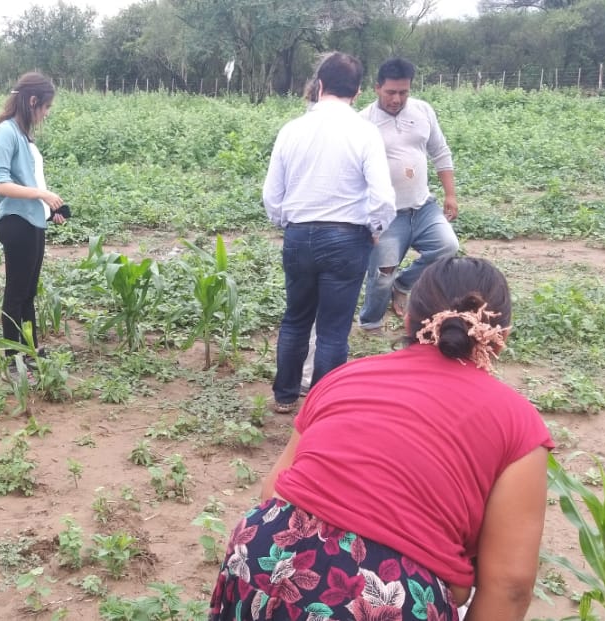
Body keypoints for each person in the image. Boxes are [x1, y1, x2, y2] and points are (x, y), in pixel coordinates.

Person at [208, 256, 553, 621]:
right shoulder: (518, 424)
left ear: (406, 319)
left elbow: (274, 489)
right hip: (387, 595)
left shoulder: (345, 377)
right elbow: (510, 586)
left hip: (263, 555)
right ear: (503, 338)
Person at [263, 52, 396, 413]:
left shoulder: (291, 130)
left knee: (296, 318)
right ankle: (323, 408)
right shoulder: (365, 132)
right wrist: (373, 230)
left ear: (318, 85)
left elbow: (271, 196)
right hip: (345, 237)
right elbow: (383, 198)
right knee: (334, 330)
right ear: (356, 93)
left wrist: (288, 225)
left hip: (299, 234)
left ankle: (285, 396)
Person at [357, 58, 460, 334]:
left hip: (423, 206)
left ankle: (403, 285)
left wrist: (450, 194)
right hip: (388, 214)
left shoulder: (423, 110)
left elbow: (440, 151)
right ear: (377, 88)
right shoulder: (364, 121)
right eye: (391, 92)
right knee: (381, 275)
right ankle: (371, 323)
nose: (397, 98)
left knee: (447, 248)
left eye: (403, 92)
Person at [0, 71, 67, 375]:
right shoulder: (6, 132)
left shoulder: (22, 134)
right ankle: (13, 359)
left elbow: (31, 180)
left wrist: (51, 208)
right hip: (16, 222)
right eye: (46, 107)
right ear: (32, 101)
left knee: (28, 293)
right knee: (16, 293)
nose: (46, 114)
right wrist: (41, 194)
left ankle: (29, 350)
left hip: (33, 220)